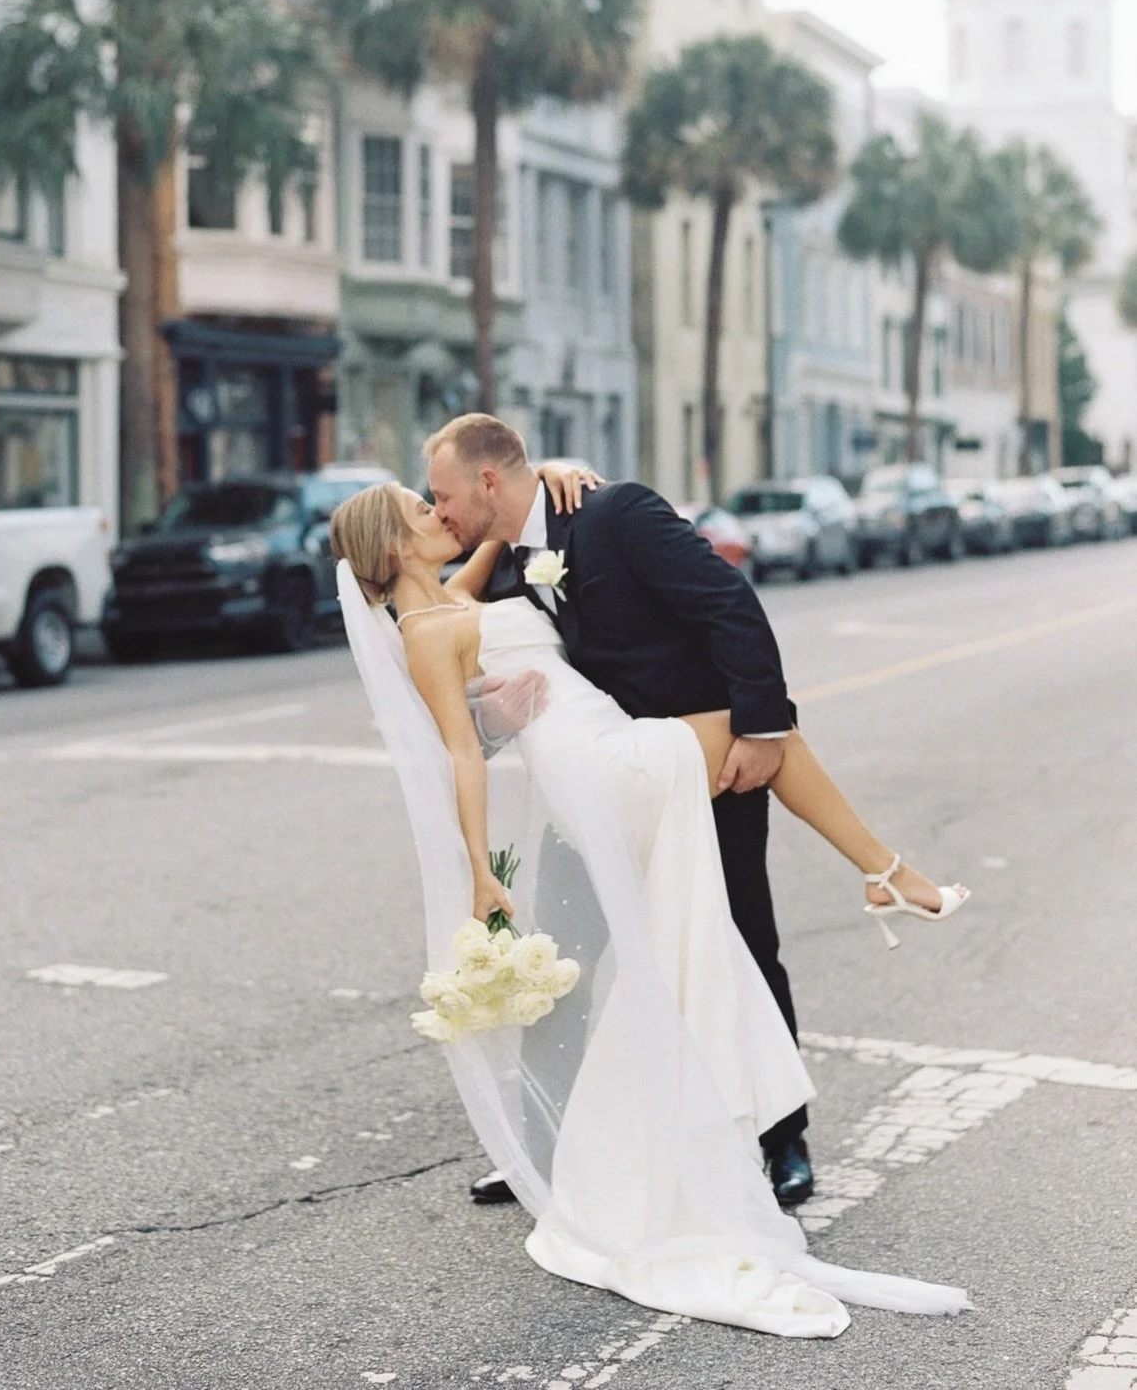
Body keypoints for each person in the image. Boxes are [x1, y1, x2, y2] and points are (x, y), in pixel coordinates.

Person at [328, 446, 970, 1338]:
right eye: (421, 509)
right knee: (762, 752)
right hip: (598, 771)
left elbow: (504, 526)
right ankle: (886, 873)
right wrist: (479, 867)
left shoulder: (469, 584)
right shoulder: (428, 627)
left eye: (440, 497)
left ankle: (765, 1117)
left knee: (711, 924)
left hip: (604, 757)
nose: (440, 514)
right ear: (397, 543)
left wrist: (552, 467)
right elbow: (463, 751)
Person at [425, 416, 867, 1212]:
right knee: (562, 966)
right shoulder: (502, 565)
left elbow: (727, 604)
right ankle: (542, 1149)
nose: (440, 513)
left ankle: (782, 1139)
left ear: (488, 482)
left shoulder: (615, 513)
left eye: (445, 495)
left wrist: (763, 728)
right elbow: (472, 697)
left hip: (700, 769)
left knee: (741, 938)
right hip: (587, 788)